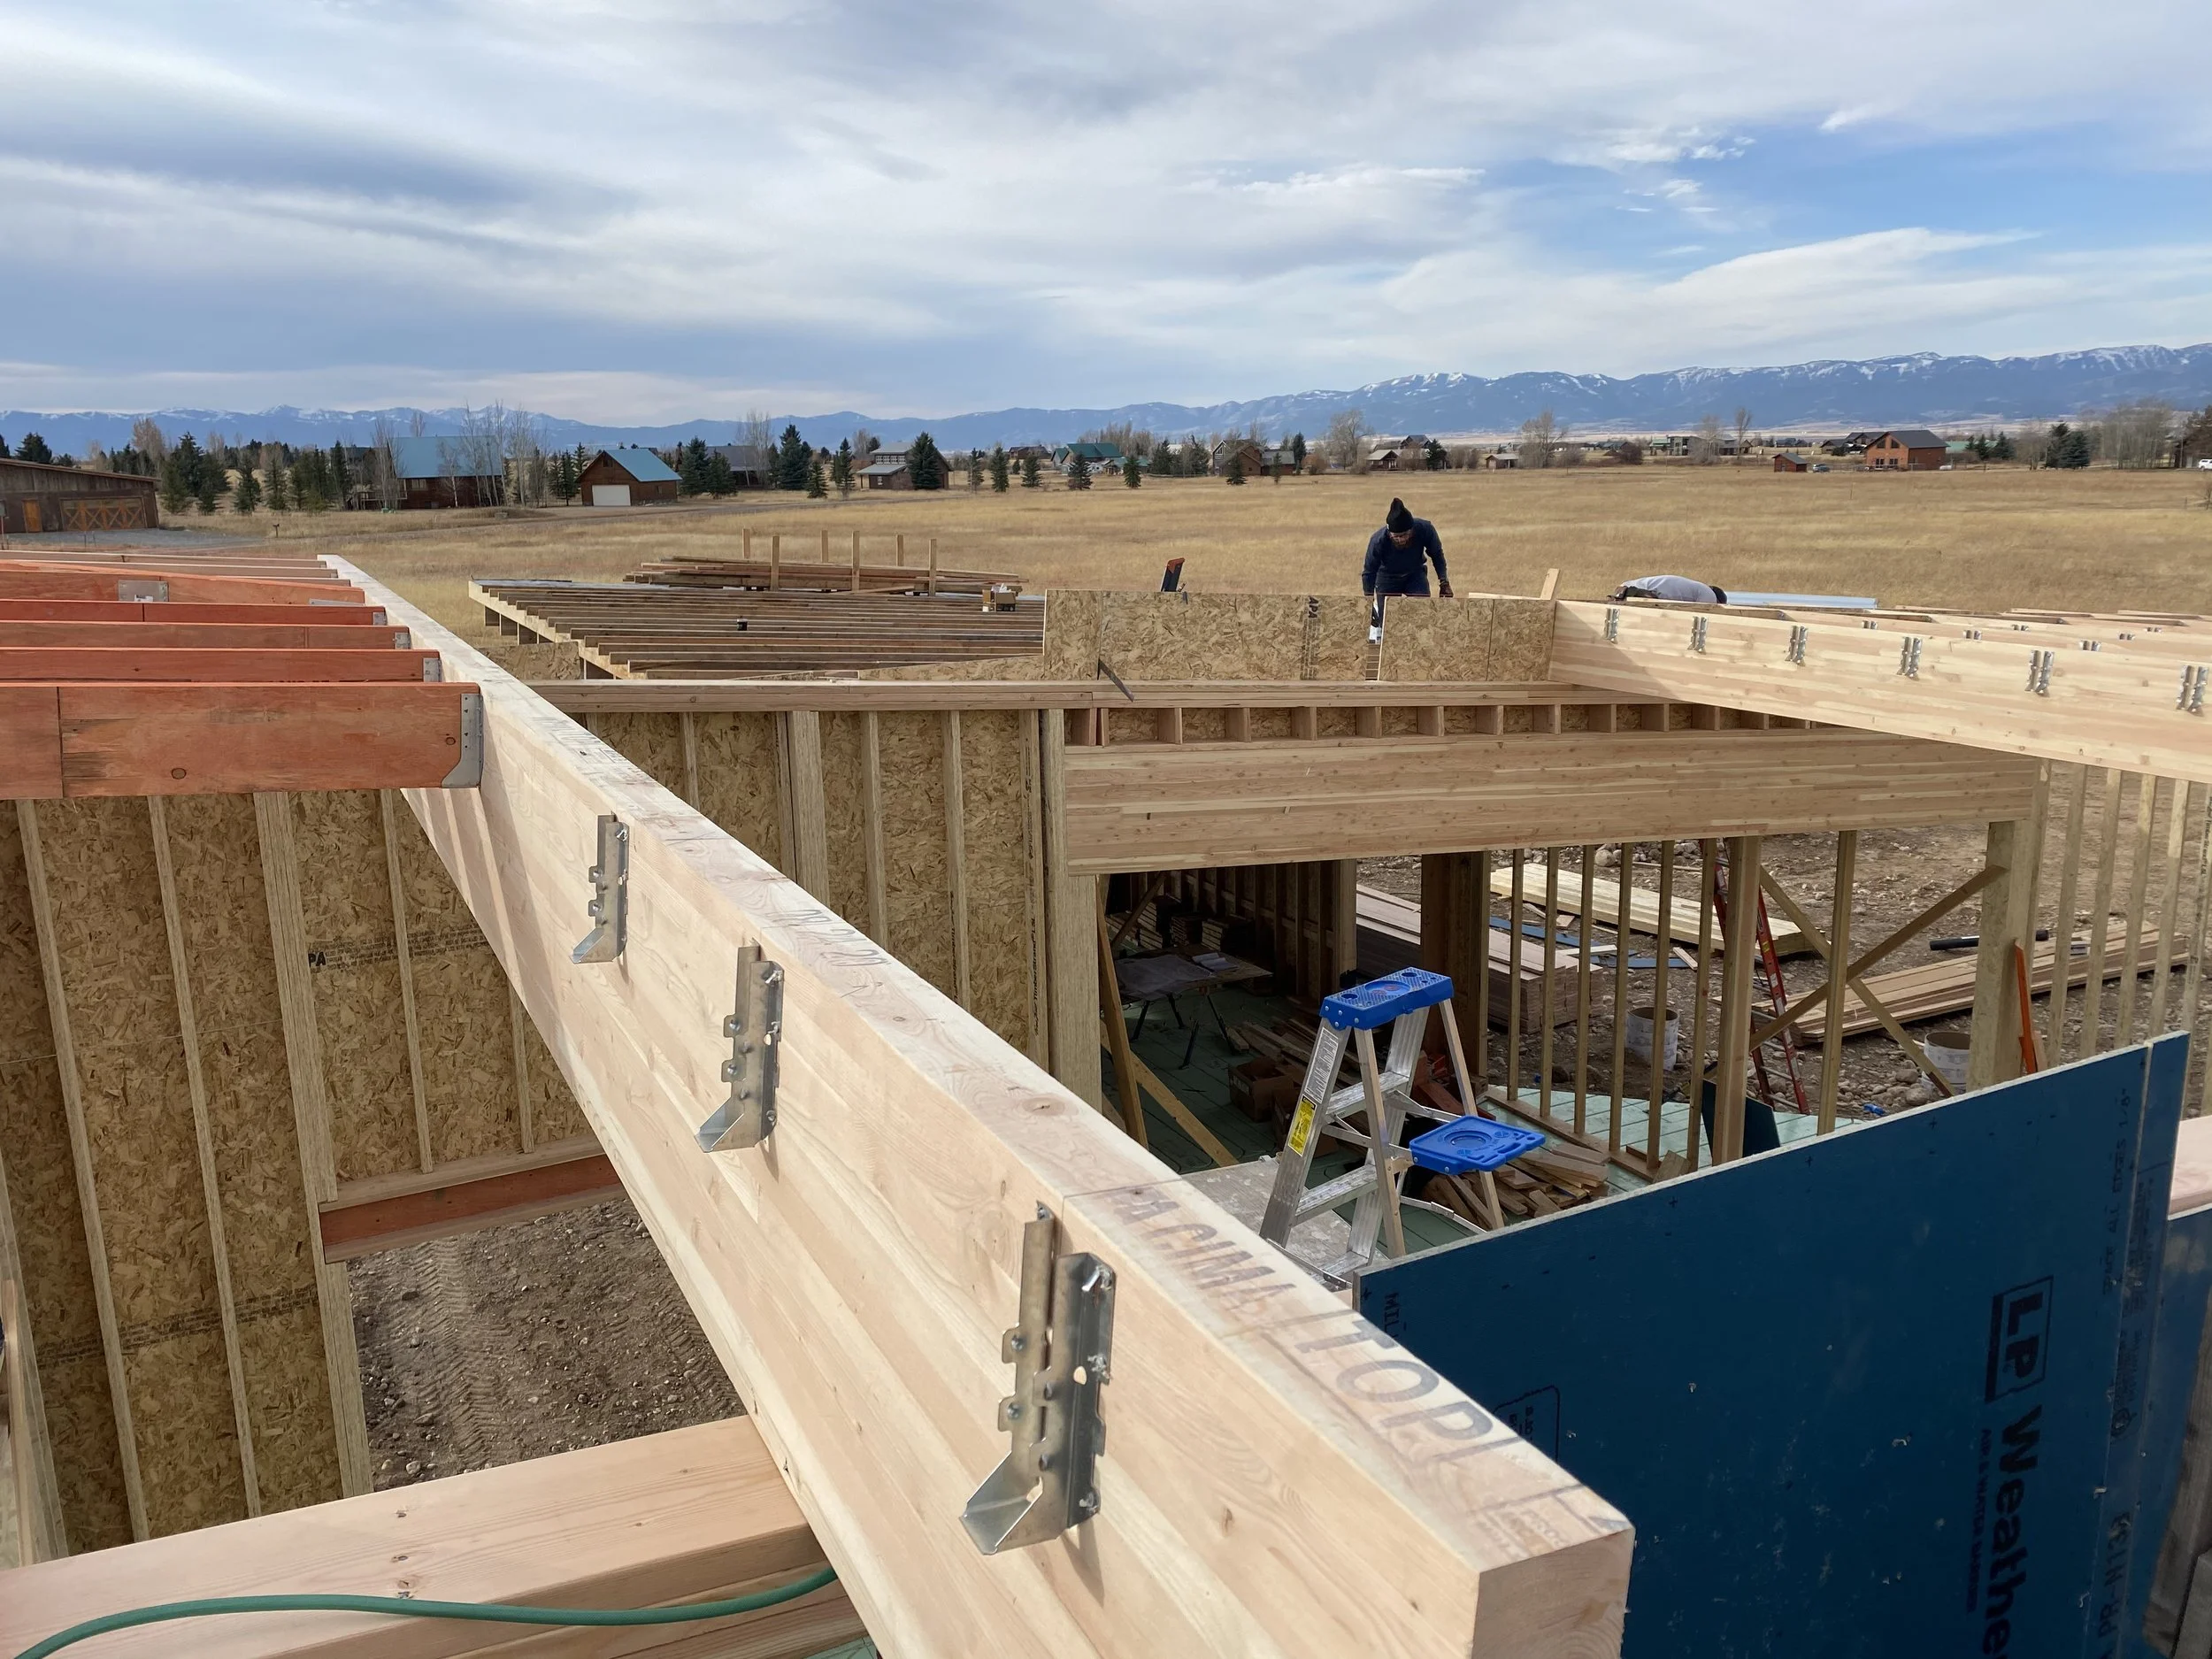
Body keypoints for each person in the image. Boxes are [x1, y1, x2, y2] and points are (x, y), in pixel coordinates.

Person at [1363, 498, 1452, 601]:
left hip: (1415, 575)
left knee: (1423, 610)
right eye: (1396, 537)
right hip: (1387, 577)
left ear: (1412, 530)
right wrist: (1368, 601)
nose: (1400, 540)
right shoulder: (1378, 541)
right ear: (1389, 533)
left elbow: (1437, 555)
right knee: (1386, 615)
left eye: (1404, 535)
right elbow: (1369, 572)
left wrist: (1444, 582)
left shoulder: (1424, 529)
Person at [1609, 574, 1728, 604]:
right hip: (1644, 594)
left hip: (1623, 589)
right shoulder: (1709, 595)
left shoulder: (1697, 587)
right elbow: (1705, 614)